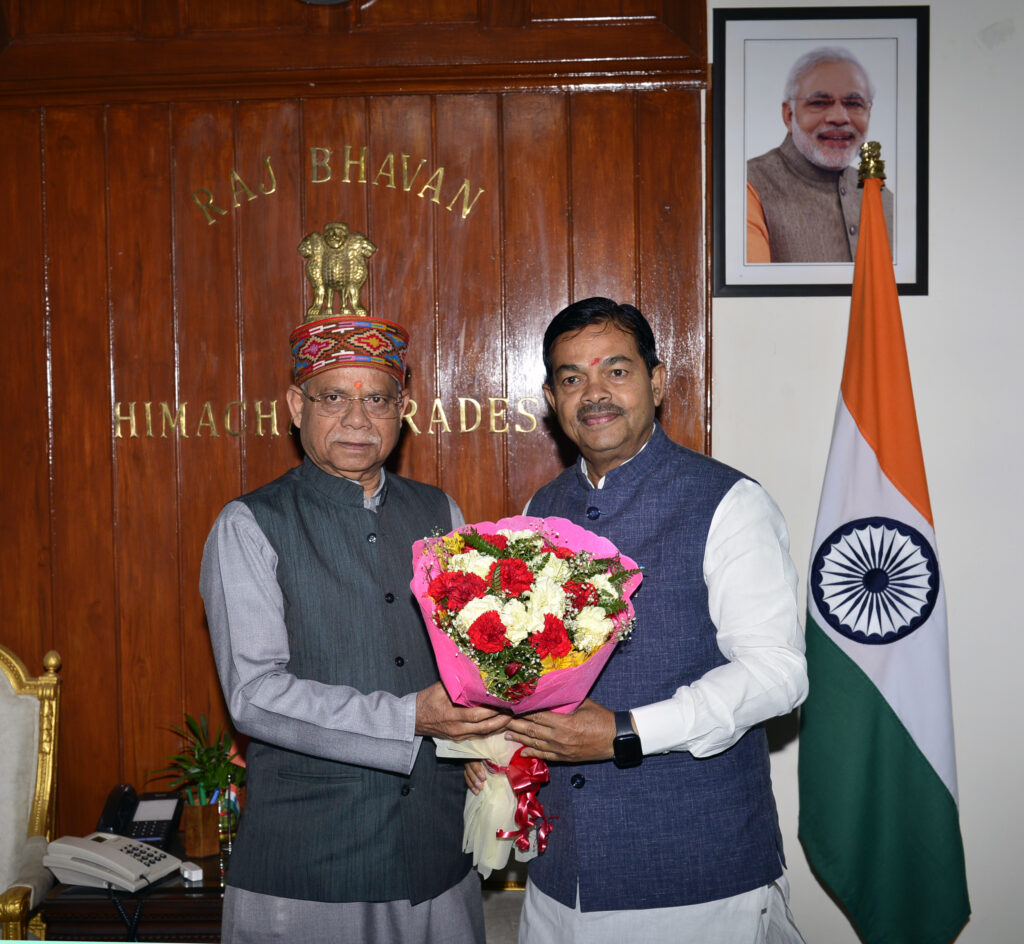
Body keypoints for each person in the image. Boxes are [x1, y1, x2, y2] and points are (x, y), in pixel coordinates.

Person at [489, 297, 809, 942]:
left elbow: (778, 674)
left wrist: (627, 732)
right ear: (551, 399)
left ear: (657, 382)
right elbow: (526, 672)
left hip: (694, 871)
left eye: (617, 371)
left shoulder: (728, 502)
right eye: (572, 378)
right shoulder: (538, 510)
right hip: (559, 870)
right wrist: (493, 743)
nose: (594, 394)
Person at [200, 311, 508, 944]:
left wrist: (484, 744)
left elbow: (470, 662)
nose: (358, 420)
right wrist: (409, 719)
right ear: (296, 406)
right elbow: (254, 695)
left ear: (403, 411)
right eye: (333, 398)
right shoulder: (250, 524)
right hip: (311, 863)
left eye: (378, 400)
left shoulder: (441, 513)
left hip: (437, 851)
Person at [746, 46, 894, 263]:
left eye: (854, 104)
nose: (839, 117)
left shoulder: (883, 197)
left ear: (869, 114)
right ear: (789, 115)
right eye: (819, 103)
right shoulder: (748, 186)